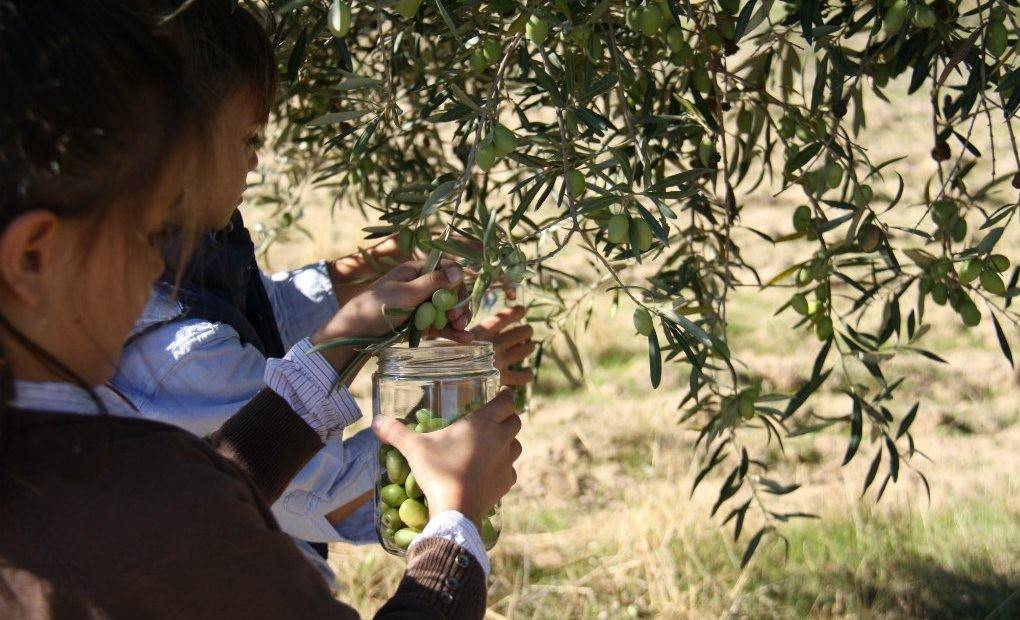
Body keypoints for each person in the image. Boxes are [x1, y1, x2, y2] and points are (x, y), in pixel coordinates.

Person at [0, 1, 521, 617]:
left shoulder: (63, 477)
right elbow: (189, 508)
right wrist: (453, 527)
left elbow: (198, 496)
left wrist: (337, 348)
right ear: (35, 259)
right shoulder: (133, 504)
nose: (153, 268)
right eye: (147, 235)